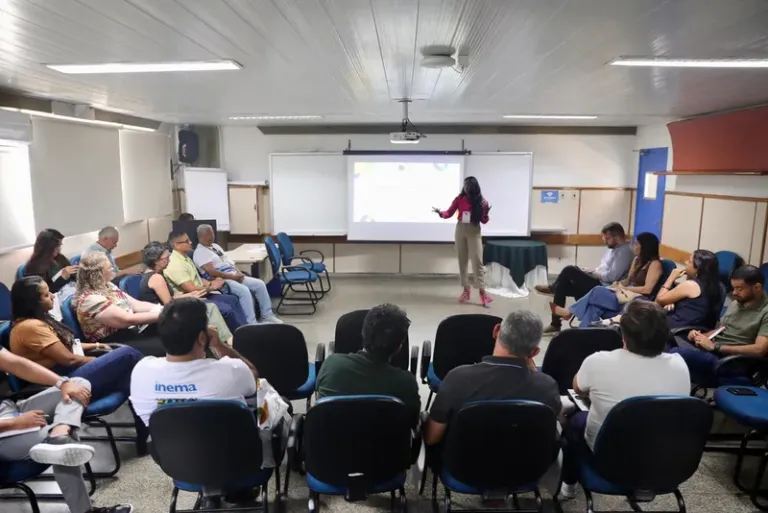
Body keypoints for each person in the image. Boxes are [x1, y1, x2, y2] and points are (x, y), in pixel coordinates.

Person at [560, 301, 690, 499]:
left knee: (574, 420)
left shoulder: (598, 361)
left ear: (624, 335)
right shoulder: (681, 365)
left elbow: (577, 387)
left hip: (608, 461)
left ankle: (568, 486)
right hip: (664, 462)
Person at [0, 347, 132, 513]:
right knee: (59, 446)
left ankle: (61, 431)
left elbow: (17, 363)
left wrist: (62, 383)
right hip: (4, 432)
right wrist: (12, 423)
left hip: (10, 408)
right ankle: (84, 510)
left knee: (78, 385)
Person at [424, 310, 560, 447]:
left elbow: (432, 438)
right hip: (525, 467)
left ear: (496, 331)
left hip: (463, 466)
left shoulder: (457, 379)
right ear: (535, 352)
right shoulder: (547, 387)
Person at [10, 276, 143, 401]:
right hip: (59, 382)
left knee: (129, 378)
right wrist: (97, 360)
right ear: (32, 302)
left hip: (65, 372)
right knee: (127, 354)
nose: (52, 296)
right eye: (46, 295)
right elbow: (69, 359)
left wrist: (96, 346)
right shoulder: (31, 327)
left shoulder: (38, 320)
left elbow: (65, 345)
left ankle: (148, 419)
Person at [317, 303, 421, 425]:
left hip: (332, 442)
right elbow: (412, 422)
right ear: (399, 347)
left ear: (363, 335)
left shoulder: (332, 365)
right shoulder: (407, 383)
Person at [669, 265, 768, 385]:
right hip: (712, 351)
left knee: (675, 354)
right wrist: (701, 336)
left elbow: (759, 350)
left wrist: (716, 347)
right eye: (733, 288)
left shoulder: (765, 312)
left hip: (730, 362)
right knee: (663, 338)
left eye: (740, 289)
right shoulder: (738, 302)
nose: (734, 293)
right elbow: (722, 329)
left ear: (757, 287)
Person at [537, 222, 634, 334]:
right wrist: (590, 271)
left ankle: (552, 289)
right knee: (562, 285)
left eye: (607, 238)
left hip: (605, 287)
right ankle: (555, 324)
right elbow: (603, 268)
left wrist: (593, 272)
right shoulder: (612, 248)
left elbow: (611, 277)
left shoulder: (624, 252)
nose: (604, 241)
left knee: (570, 269)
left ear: (617, 237)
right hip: (598, 280)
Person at [549, 232, 663, 327]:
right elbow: (628, 280)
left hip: (637, 300)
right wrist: (619, 284)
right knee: (594, 307)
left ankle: (569, 312)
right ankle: (582, 335)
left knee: (597, 290)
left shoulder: (654, 264)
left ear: (646, 246)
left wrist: (625, 288)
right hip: (623, 293)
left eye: (637, 244)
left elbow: (647, 289)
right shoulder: (637, 261)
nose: (634, 246)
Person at [139, 242, 236, 345]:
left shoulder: (152, 275)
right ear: (156, 261)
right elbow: (168, 304)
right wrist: (187, 299)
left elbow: (169, 298)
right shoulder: (156, 278)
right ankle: (228, 343)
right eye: (166, 258)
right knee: (210, 308)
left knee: (207, 307)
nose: (169, 260)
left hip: (165, 313)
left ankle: (222, 342)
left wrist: (189, 295)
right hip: (163, 319)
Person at [73, 252, 165, 357]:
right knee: (164, 346)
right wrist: (163, 314)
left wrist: (161, 308)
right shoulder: (90, 299)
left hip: (129, 332)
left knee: (170, 332)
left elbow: (136, 305)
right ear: (97, 274)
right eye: (109, 269)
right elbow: (126, 320)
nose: (112, 270)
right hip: (115, 341)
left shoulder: (107, 285)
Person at [193, 224, 281, 324]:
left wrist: (238, 273)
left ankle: (267, 315)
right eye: (209, 234)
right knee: (244, 291)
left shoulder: (215, 246)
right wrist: (232, 277)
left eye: (212, 233)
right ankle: (251, 323)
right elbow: (212, 272)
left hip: (233, 275)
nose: (212, 236)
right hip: (223, 280)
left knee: (259, 284)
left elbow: (229, 262)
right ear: (201, 236)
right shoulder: (200, 252)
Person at [162, 230, 249, 331]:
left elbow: (197, 279)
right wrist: (212, 287)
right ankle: (234, 338)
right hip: (191, 300)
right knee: (226, 309)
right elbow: (192, 289)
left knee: (232, 299)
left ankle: (245, 330)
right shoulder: (175, 264)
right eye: (186, 241)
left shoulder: (185, 257)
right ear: (176, 245)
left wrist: (212, 282)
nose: (190, 242)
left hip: (202, 293)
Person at [432, 176, 493, 306]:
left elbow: (484, 221)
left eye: (468, 185)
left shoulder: (482, 202)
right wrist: (440, 213)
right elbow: (449, 213)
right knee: (462, 260)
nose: (465, 187)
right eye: (464, 185)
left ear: (474, 187)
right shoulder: (459, 199)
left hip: (474, 230)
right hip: (460, 229)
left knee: (477, 261)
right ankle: (466, 289)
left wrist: (486, 213)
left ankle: (482, 292)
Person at [656, 249, 723, 329]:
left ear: (697, 268)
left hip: (677, 328)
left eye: (690, 261)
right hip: (697, 329)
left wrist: (671, 277)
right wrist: (673, 301)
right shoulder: (717, 285)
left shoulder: (691, 285)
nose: (686, 262)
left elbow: (659, 300)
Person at [24, 230, 78, 295]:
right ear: (47, 247)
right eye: (57, 246)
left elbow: (73, 278)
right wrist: (62, 278)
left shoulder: (60, 258)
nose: (59, 249)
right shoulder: (34, 268)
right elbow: (43, 294)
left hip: (71, 292)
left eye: (60, 245)